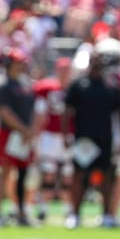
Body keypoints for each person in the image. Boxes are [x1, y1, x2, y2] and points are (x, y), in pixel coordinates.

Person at [62, 38, 120, 229]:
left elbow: (119, 113)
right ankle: (74, 213)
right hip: (83, 137)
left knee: (106, 176)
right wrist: (66, 134)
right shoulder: (79, 85)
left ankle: (107, 214)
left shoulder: (111, 86)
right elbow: (67, 111)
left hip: (104, 137)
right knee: (79, 175)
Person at [0, 47, 36, 227]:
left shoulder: (25, 85)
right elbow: (4, 112)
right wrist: (23, 129)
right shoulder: (4, 85)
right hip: (9, 134)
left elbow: (32, 111)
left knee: (24, 174)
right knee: (5, 172)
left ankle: (21, 211)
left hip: (23, 135)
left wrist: (30, 131)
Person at [32, 57, 74, 223]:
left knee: (67, 176)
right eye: (62, 70)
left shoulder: (74, 88)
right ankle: (42, 209)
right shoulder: (46, 87)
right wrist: (36, 135)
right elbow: (39, 113)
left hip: (69, 135)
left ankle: (69, 210)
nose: (64, 73)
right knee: (48, 174)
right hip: (49, 135)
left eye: (67, 70)